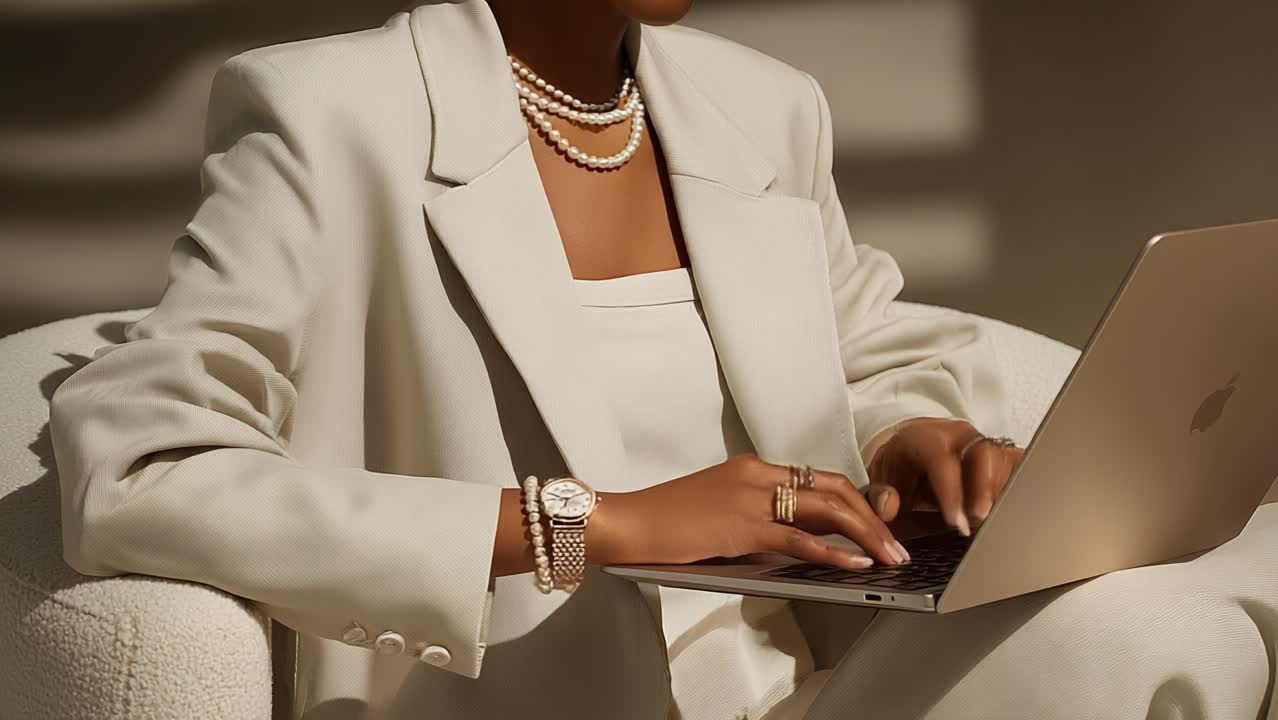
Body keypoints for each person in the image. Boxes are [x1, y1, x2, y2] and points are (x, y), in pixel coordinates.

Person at [48, 0, 1022, 717]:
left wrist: (906, 435)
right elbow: (140, 470)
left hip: (814, 692)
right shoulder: (328, 114)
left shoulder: (765, 106)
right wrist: (591, 523)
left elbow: (857, 341)